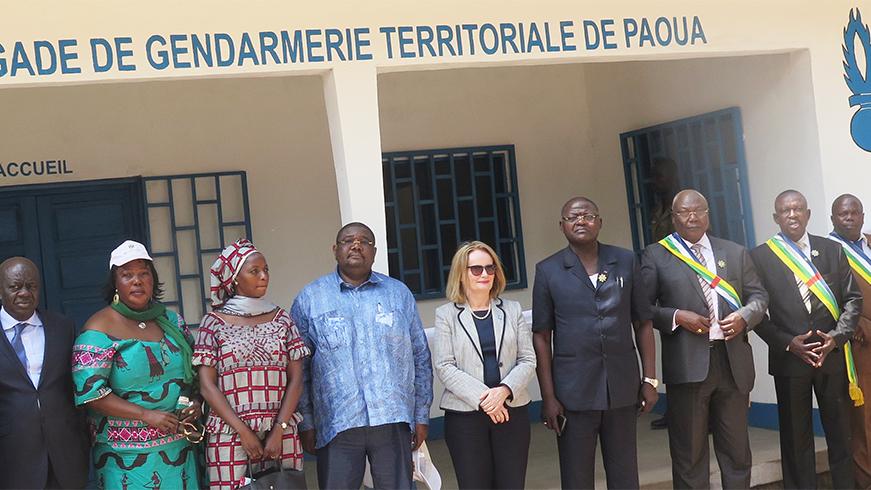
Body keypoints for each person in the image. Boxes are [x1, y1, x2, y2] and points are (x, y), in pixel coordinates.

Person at [291, 222, 433, 489]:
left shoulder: (398, 294)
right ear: (335, 250)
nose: (356, 245)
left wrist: (421, 415)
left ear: (374, 251)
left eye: (364, 241)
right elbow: (300, 369)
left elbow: (420, 357)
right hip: (336, 423)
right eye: (348, 241)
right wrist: (306, 422)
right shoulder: (310, 298)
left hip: (392, 419)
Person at [642, 189, 768, 489]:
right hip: (687, 366)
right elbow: (643, 309)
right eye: (684, 212)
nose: (692, 217)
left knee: (737, 453)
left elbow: (759, 297)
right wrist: (677, 316)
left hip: (732, 363)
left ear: (708, 215)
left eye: (698, 210)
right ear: (674, 218)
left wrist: (744, 316)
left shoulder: (734, 252)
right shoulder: (656, 255)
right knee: (690, 455)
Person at [532, 197, 658, 489]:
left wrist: (650, 379)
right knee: (576, 478)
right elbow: (541, 336)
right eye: (572, 217)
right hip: (572, 394)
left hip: (622, 388)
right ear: (562, 226)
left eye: (588, 215)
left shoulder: (625, 260)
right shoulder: (548, 270)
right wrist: (548, 396)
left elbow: (643, 322)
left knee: (625, 475)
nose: (580, 221)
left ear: (599, 222)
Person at [750, 190, 863, 489]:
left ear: (808, 214)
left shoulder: (831, 250)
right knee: (795, 438)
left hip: (832, 357)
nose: (792, 215)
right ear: (776, 217)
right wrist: (788, 342)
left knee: (840, 435)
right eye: (785, 210)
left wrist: (836, 338)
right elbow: (757, 313)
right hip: (790, 360)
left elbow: (852, 299)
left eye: (798, 209)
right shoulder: (760, 256)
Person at [72, 240, 202, 489]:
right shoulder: (98, 330)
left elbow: (195, 372)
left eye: (144, 273)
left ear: (153, 279)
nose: (137, 281)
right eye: (127, 275)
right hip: (124, 455)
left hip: (179, 448)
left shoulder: (172, 322)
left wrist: (195, 402)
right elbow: (90, 395)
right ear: (115, 283)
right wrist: (146, 415)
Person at [194, 239, 310, 489]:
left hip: (280, 432)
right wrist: (243, 432)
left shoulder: (282, 320)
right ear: (234, 278)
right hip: (229, 434)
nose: (263, 276)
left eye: (266, 270)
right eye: (254, 271)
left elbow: (296, 379)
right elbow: (206, 386)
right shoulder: (213, 324)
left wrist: (279, 428)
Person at [432, 241, 536, 489]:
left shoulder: (512, 310)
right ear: (461, 273)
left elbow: (528, 359)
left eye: (490, 268)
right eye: (476, 269)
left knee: (512, 484)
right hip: (465, 417)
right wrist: (486, 399)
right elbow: (445, 366)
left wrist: (503, 391)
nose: (485, 274)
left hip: (511, 412)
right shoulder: (446, 315)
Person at [0, 257, 89, 489]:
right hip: (11, 458)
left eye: (31, 286)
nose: (24, 293)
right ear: (0, 291)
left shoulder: (62, 327)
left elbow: (74, 385)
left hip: (65, 454)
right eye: (15, 287)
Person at [828, 194, 871, 488]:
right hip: (860, 344)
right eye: (843, 214)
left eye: (855, 212)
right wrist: (855, 323)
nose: (850, 217)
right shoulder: (827, 251)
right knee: (863, 417)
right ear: (832, 218)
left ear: (863, 216)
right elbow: (829, 298)